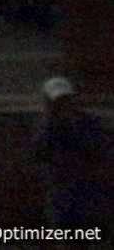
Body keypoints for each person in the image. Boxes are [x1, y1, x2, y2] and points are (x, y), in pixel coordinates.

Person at [33, 76, 110, 227]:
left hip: (87, 189)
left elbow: (101, 148)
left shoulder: (88, 123)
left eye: (66, 100)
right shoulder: (46, 127)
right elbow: (40, 153)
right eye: (58, 102)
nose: (63, 106)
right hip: (61, 191)